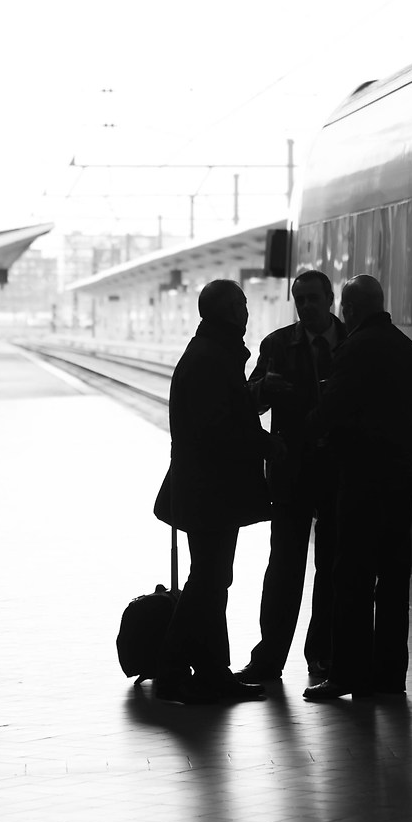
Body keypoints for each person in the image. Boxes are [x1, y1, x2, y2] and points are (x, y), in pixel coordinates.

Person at [303, 273, 412, 702]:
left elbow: (334, 408)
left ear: (351, 309)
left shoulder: (354, 349)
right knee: (393, 578)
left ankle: (347, 674)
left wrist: (300, 436)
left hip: (362, 479)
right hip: (402, 479)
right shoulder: (407, 350)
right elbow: (408, 412)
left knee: (352, 577)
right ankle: (390, 676)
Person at [151, 279, 272, 704]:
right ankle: (172, 671)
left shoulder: (214, 353)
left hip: (210, 488)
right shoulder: (210, 359)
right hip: (210, 490)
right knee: (208, 579)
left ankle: (212, 671)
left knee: (212, 578)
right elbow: (219, 429)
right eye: (240, 304)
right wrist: (266, 444)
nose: (246, 311)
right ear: (225, 312)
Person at [237, 270, 345, 687]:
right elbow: (248, 402)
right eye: (300, 299)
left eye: (314, 298)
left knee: (332, 568)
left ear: (330, 298)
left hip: (337, 471)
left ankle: (323, 656)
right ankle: (269, 659)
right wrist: (264, 388)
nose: (307, 306)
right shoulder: (277, 345)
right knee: (284, 568)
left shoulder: (351, 343)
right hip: (291, 471)